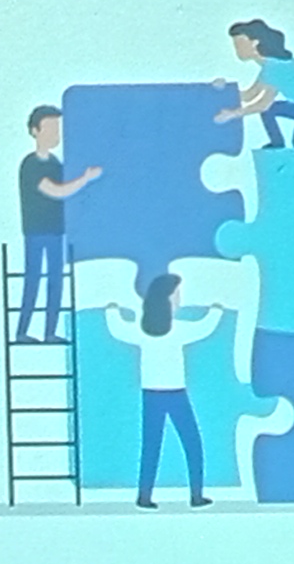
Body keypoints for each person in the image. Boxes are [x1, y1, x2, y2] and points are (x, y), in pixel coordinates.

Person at [106, 268, 227, 506]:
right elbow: (204, 328)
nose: (180, 298)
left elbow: (118, 329)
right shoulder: (178, 328)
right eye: (177, 294)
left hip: (152, 394)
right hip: (175, 393)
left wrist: (111, 311)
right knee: (191, 442)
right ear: (168, 297)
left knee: (152, 445)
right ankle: (195, 495)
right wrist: (216, 311)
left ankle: (145, 496)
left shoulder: (144, 329)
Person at [14, 103, 99, 341]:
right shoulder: (31, 164)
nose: (55, 134)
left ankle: (50, 331)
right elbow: (56, 191)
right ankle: (22, 331)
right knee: (33, 279)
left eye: (56, 128)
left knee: (56, 280)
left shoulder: (55, 164)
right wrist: (85, 179)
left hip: (57, 230)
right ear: (35, 131)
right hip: (36, 231)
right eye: (49, 128)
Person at [213, 18, 294, 148]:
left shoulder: (275, 68)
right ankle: (277, 144)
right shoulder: (270, 66)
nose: (237, 50)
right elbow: (250, 94)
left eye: (239, 45)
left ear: (254, 43)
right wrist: (224, 90)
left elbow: (263, 104)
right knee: (270, 111)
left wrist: (233, 114)